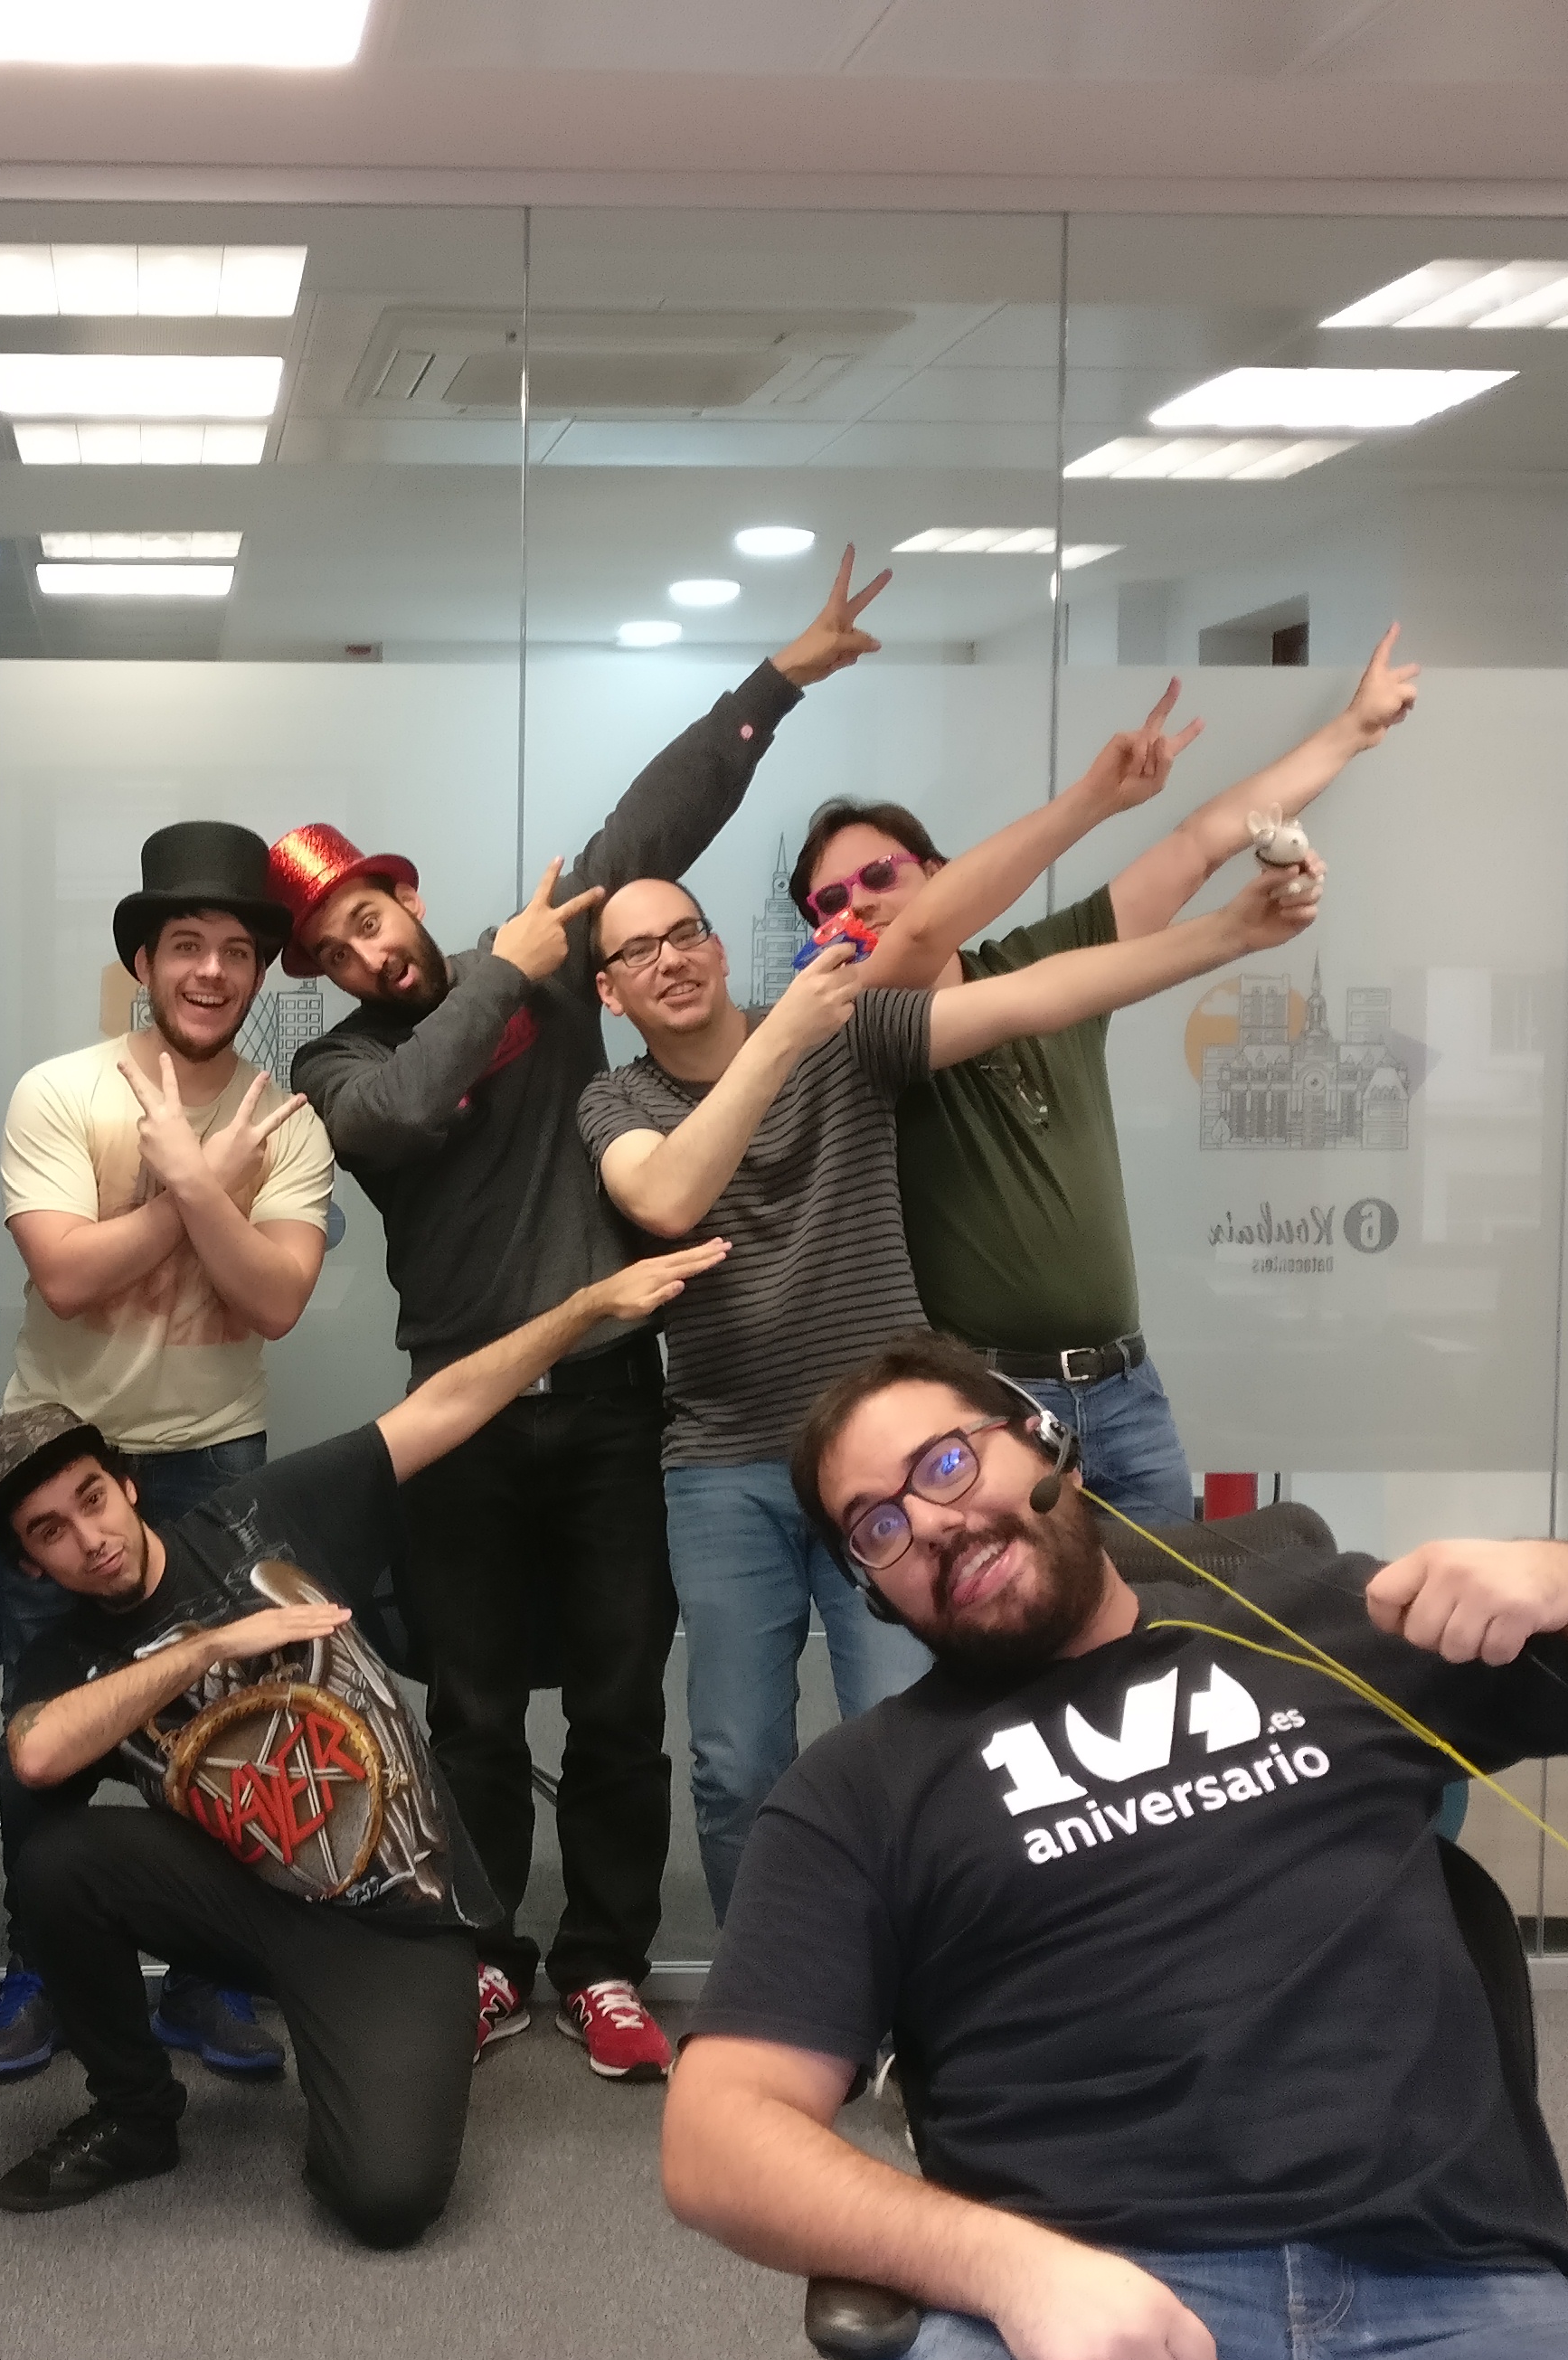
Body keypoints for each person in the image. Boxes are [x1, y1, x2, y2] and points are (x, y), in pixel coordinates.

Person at [660, 1333, 1568, 2360]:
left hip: (1463, 2290)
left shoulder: (1328, 1626)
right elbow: (715, 2137)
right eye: (878, 1528)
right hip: (1096, 2301)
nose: (930, 1524)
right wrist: (1004, 2269)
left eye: (944, 1463)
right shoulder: (858, 1789)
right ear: (873, 1591)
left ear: (1042, 1440)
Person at [274, 546, 896, 2082]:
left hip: (620, 1402)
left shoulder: (554, 966)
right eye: (339, 947)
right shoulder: (343, 1065)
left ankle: (605, 1960)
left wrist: (777, 682)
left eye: (375, 914)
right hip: (461, 1419)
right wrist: (505, 968)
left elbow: (652, 829)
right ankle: (487, 1956)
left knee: (622, 1704)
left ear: (406, 894)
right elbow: (406, 1112)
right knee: (475, 1709)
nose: (370, 949)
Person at [579, 863, 1318, 1918]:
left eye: (685, 932)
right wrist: (780, 1036)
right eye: (637, 950)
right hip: (723, 1465)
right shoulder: (616, 1099)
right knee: (736, 1762)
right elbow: (665, 1195)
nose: (670, 959)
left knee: (918, 1728)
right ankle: (772, 1984)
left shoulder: (847, 1032)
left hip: (891, 1470)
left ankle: (933, 1975)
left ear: (719, 945)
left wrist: (1228, 934)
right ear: (608, 992)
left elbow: (1038, 995)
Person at [0, 1238, 735, 2243]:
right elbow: (36, 1754)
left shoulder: (258, 1518)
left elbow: (445, 1407)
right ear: (31, 1565)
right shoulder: (69, 1655)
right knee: (59, 1860)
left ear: (125, 1484)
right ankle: (134, 2114)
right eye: (50, 1533)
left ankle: (351, 2046)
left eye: (91, 1499)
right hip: (246, 1902)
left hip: (394, 1921)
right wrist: (209, 1644)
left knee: (385, 2201)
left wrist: (587, 1305)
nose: (89, 1538)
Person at [799, 628, 1422, 1527]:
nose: (856, 901)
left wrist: (1353, 729)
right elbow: (929, 937)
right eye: (829, 901)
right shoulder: (854, 1029)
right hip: (992, 1405)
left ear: (938, 872)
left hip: (1127, 1388)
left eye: (877, 875)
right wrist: (1108, 813)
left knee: (1166, 1607)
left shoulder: (1041, 960)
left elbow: (1200, 842)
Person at [0, 821, 337, 2085]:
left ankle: (210, 1974)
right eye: (186, 944)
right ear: (143, 959)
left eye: (237, 950)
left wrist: (190, 1178)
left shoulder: (285, 1119)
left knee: (231, 1719)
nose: (211, 971)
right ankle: (38, 1964)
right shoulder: (60, 1092)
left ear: (260, 972)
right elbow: (67, 1278)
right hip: (56, 1452)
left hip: (214, 1459)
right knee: (42, 1721)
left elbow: (274, 1300)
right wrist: (198, 1186)